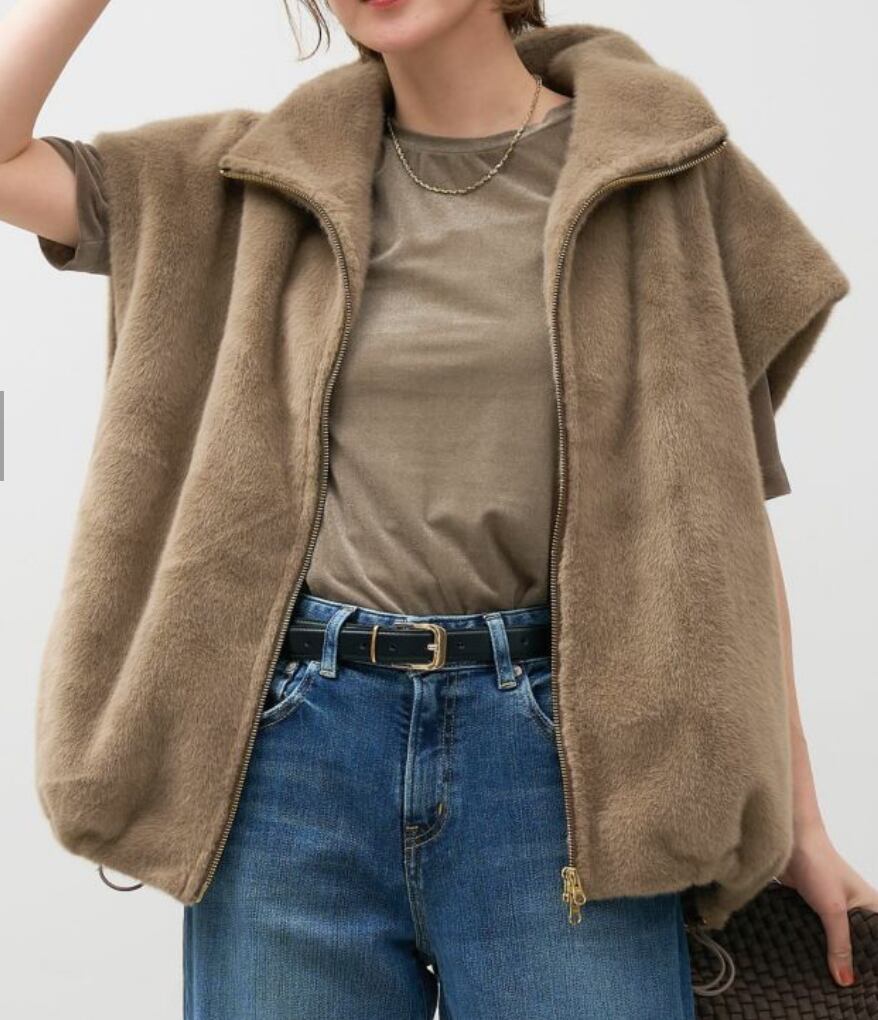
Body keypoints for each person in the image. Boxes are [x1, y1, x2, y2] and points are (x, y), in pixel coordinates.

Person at [2, 1, 874, 1017]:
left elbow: (721, 518)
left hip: (568, 762)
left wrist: (797, 823)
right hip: (296, 760)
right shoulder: (239, 179)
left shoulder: (657, 171)